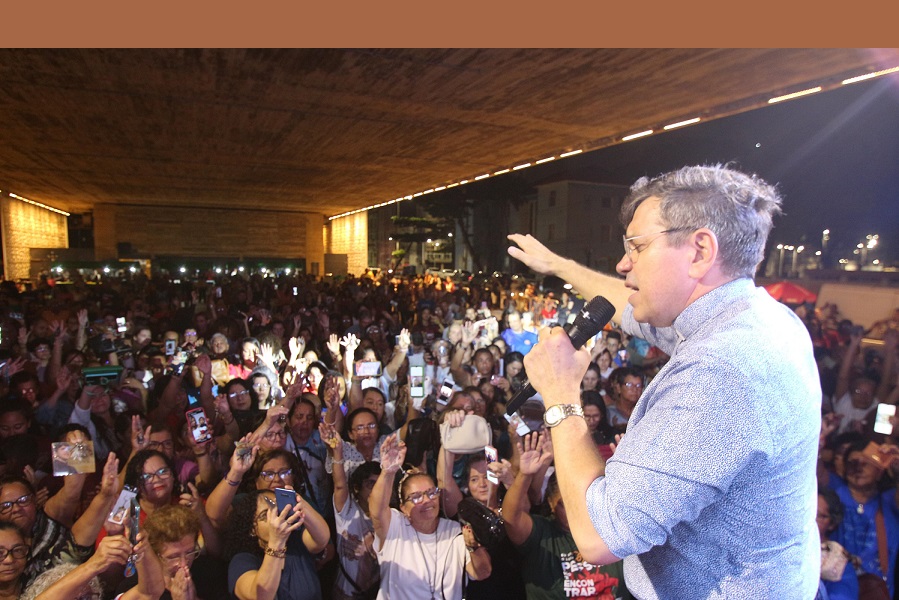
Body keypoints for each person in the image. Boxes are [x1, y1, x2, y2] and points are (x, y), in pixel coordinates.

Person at [507, 164, 821, 598]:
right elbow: (628, 305)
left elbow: (600, 536)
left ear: (698, 251)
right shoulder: (756, 318)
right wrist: (559, 265)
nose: (622, 264)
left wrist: (560, 394)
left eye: (636, 247)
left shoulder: (723, 368)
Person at [370, 433, 492, 600]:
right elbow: (377, 511)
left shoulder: (454, 531)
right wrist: (388, 472)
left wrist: (474, 548)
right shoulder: (395, 526)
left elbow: (482, 573)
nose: (427, 501)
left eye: (431, 493)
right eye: (416, 497)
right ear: (403, 508)